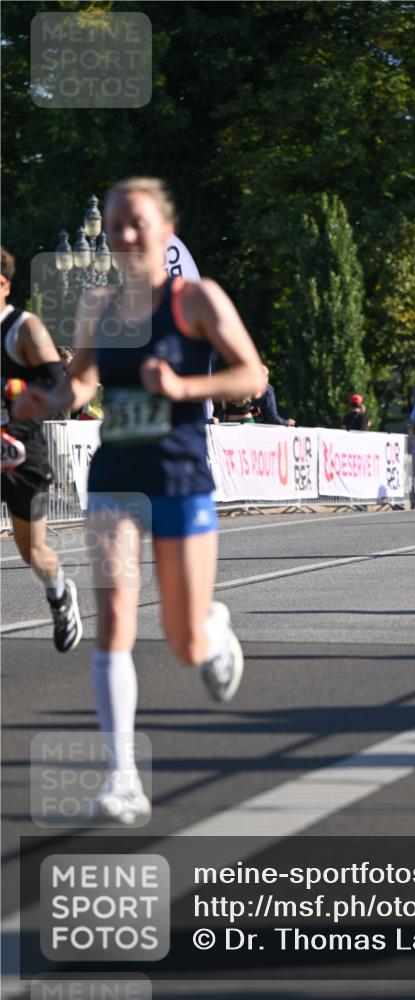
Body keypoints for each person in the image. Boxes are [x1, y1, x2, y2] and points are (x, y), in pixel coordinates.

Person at [15, 178, 265, 824]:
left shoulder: (197, 300)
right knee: (116, 620)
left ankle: (212, 632)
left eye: (137, 223)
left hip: (181, 474)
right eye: (116, 223)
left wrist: (185, 385)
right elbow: (80, 383)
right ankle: (122, 777)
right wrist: (48, 401)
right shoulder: (101, 305)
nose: (124, 234)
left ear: (164, 230)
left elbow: (252, 375)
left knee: (181, 640)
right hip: (117, 475)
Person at [0, 247, 82, 651]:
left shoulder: (24, 328)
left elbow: (58, 390)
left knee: (32, 550)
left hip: (21, 450)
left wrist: (14, 397)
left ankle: (60, 593)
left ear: (3, 285)